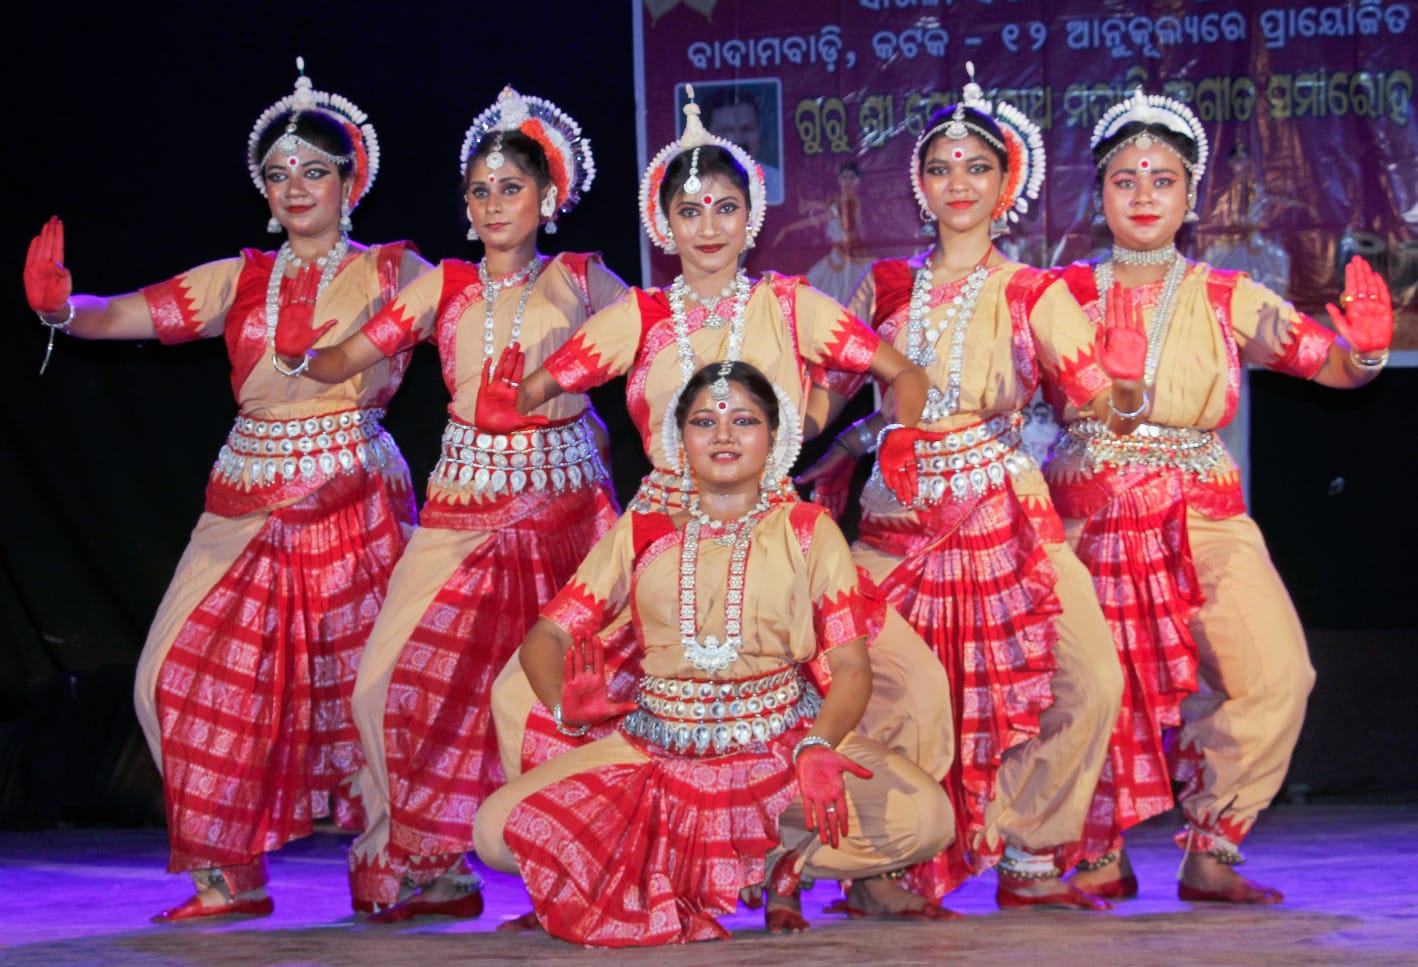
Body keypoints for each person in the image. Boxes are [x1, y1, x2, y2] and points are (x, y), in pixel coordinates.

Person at [476, 88, 954, 924]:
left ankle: (841, 865)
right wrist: (505, 385)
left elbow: (899, 372)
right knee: (522, 694)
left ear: (750, 215)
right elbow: (533, 390)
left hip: (773, 531)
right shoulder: (638, 317)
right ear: (663, 222)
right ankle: (584, 863)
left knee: (911, 683)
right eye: (689, 210)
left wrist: (878, 431)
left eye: (725, 207)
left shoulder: (790, 305)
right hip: (663, 536)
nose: (707, 226)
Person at [20, 59, 430, 921]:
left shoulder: (395, 272)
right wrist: (63, 310)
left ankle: (412, 868)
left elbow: (481, 321)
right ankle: (227, 870)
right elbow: (126, 312)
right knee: (168, 672)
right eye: (278, 173)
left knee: (373, 689)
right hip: (244, 496)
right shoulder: (240, 278)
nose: (295, 186)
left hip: (352, 497)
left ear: (350, 180)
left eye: (313, 170)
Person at [277, 86, 625, 919]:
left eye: (511, 187)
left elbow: (653, 340)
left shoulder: (583, 277)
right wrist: (300, 357)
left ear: (548, 196)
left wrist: (556, 381)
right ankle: (437, 865)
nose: (494, 203)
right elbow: (350, 356)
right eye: (480, 190)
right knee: (384, 684)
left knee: (550, 700)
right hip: (462, 510)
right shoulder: (447, 285)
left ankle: (569, 870)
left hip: (564, 516)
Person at [1043, 88, 1393, 904]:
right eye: (1125, 179)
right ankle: (1092, 849)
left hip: (1203, 512)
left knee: (1278, 672)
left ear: (1191, 195)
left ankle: (1213, 846)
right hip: (1092, 512)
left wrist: (1368, 356)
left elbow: (1329, 364)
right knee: (1099, 689)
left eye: (1162, 180)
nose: (1143, 195)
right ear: (1099, 193)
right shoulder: (1054, 294)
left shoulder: (1227, 293)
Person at [799, 64, 1133, 910]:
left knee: (1089, 676)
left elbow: (1096, 396)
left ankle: (1030, 853)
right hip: (899, 513)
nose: (959, 182)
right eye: (942, 167)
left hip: (1005, 514)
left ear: (1005, 182)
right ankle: (878, 860)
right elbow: (824, 396)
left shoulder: (1033, 291)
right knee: (883, 688)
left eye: (978, 167)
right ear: (920, 182)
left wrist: (1123, 397)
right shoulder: (883, 286)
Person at [473, 361, 952, 946]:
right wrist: (563, 707)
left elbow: (852, 667)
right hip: (658, 747)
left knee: (926, 820)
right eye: (704, 421)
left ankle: (769, 855)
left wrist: (819, 745)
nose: (723, 434)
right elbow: (544, 639)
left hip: (780, 744)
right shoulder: (643, 530)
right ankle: (690, 864)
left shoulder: (807, 530)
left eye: (743, 420)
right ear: (681, 439)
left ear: (772, 437)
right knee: (496, 834)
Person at [772, 162, 875, 304]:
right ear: (839, 180)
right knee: (819, 286)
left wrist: (787, 229)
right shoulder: (843, 201)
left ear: (858, 181)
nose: (847, 182)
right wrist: (809, 204)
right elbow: (828, 206)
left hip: (848, 256)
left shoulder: (848, 203)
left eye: (852, 178)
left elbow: (823, 217)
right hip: (842, 253)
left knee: (824, 288)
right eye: (844, 177)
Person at [703, 85, 783, 203]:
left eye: (747, 129)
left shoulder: (778, 183)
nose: (738, 139)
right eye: (727, 130)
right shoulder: (688, 184)